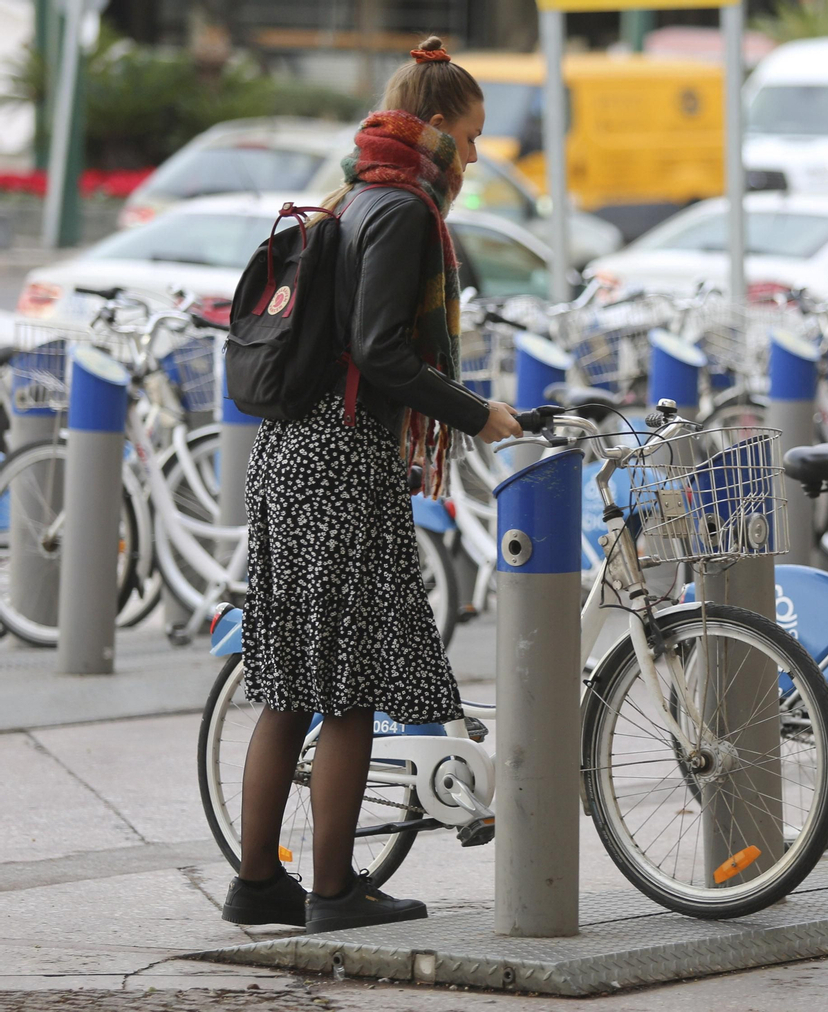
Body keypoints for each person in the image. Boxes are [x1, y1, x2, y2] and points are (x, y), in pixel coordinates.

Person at [218, 37, 523, 934]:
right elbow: (383, 350)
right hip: (341, 462)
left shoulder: (355, 194)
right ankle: (332, 891)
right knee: (346, 689)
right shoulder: (400, 210)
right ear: (433, 127)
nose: (473, 157)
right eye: (468, 138)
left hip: (294, 453)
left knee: (290, 684)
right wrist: (476, 414)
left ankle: (257, 882)